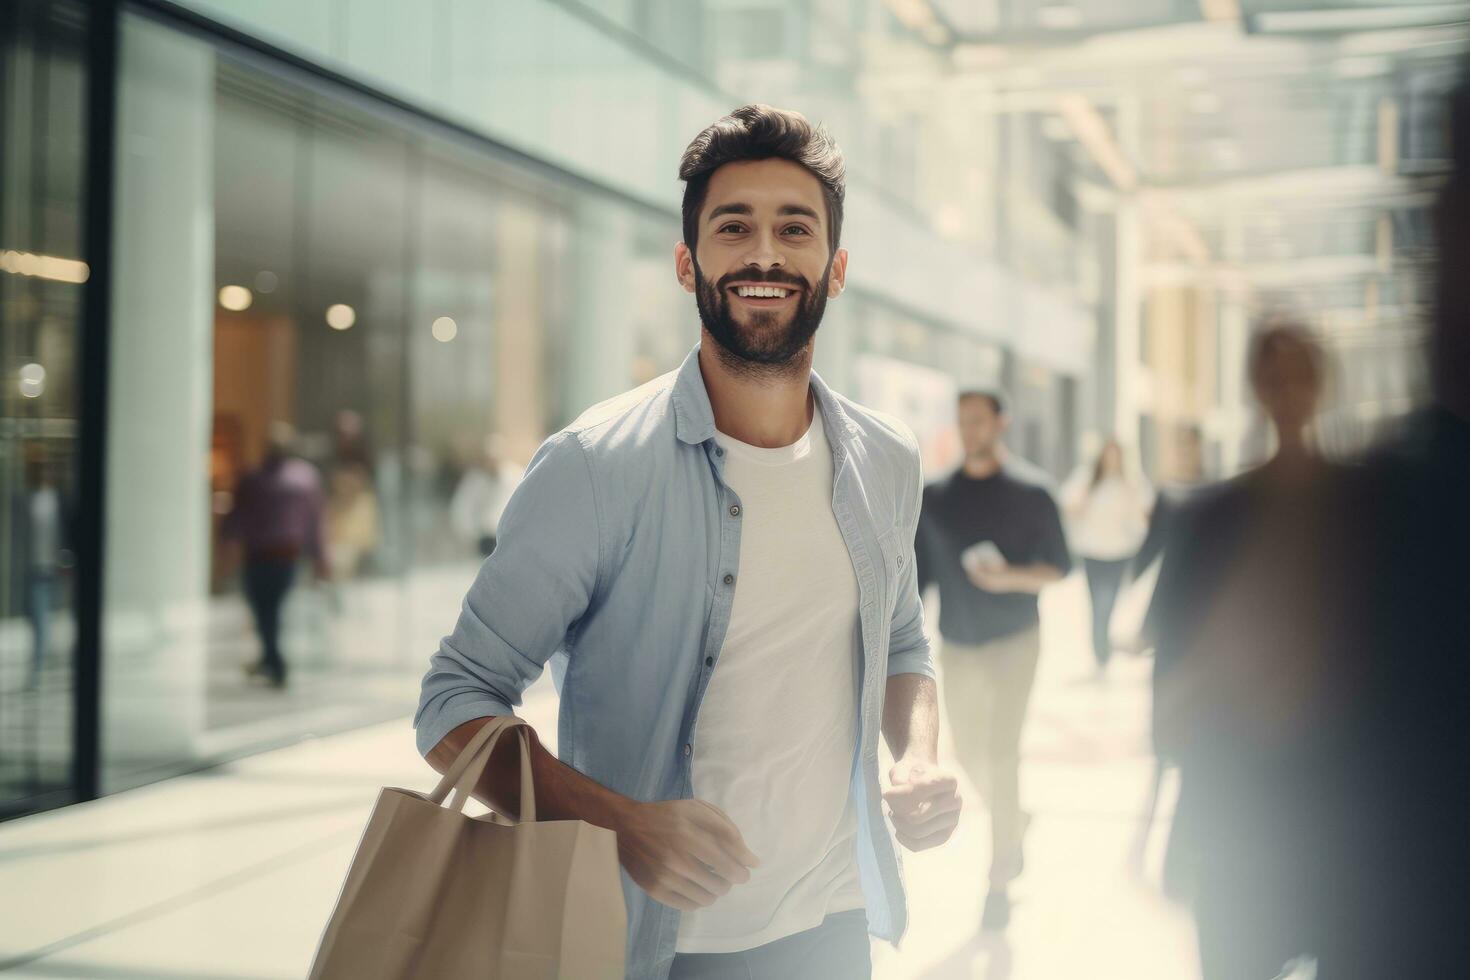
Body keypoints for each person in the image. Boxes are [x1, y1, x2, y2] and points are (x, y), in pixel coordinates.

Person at [415, 105, 962, 980]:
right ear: (686, 263)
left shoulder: (885, 460)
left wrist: (923, 758)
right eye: (732, 226)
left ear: (837, 266)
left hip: (835, 922)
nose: (765, 255)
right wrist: (621, 825)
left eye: (795, 228)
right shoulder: (595, 468)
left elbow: (900, 639)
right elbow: (454, 702)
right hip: (650, 946)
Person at [1148, 323, 1359, 980]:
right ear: (1255, 388)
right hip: (1237, 784)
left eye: (1300, 374)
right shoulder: (1213, 513)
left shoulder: (1369, 508)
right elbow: (1173, 652)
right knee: (1236, 955)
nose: (1287, 390)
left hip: (1341, 790)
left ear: (1323, 385)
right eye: (1274, 375)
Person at [915, 390, 1072, 931]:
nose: (970, 429)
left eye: (979, 420)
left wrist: (1006, 578)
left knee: (1003, 755)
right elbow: (918, 582)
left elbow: (1058, 569)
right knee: (971, 756)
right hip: (958, 642)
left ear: (1001, 423)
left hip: (1014, 640)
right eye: (963, 421)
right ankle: (1015, 819)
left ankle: (999, 878)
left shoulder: (1033, 492)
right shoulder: (936, 495)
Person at [222, 422, 329, 688]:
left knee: (272, 611)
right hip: (258, 556)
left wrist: (320, 556)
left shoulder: (302, 478)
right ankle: (271, 658)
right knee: (262, 611)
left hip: (284, 556)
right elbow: (236, 518)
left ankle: (273, 660)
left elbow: (315, 521)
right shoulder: (253, 477)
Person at [1062, 439, 1153, 675]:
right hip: (1093, 552)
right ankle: (1100, 654)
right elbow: (1069, 507)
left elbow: (1147, 512)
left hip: (1120, 552)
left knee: (1109, 603)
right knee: (1098, 606)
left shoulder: (1131, 481)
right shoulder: (1087, 479)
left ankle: (1103, 652)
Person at [449, 434, 522, 557]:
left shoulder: (515, 477)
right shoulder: (475, 480)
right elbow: (463, 507)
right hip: (484, 537)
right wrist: (471, 532)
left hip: (508, 537)